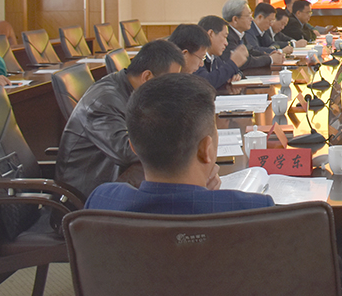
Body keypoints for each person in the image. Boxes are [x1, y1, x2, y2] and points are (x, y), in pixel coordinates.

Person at [85, 73, 274, 213]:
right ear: (205, 149)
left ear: (133, 147)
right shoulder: (253, 208)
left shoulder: (102, 201)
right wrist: (201, 194)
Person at [56, 39, 184, 198]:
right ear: (147, 77)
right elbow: (125, 150)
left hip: (115, 180)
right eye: (169, 83)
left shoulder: (131, 89)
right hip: (85, 195)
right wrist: (179, 146)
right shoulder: (103, 101)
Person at [222, 0, 283, 69]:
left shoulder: (241, 33)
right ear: (235, 19)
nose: (252, 19)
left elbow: (251, 51)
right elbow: (243, 62)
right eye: (248, 16)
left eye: (251, 15)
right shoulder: (227, 36)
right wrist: (270, 59)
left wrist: (269, 54)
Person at [194, 15, 246, 91]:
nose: (226, 43)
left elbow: (229, 71)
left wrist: (237, 75)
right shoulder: (195, 56)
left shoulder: (215, 57)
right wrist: (233, 63)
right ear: (211, 34)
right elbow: (206, 82)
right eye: (224, 37)